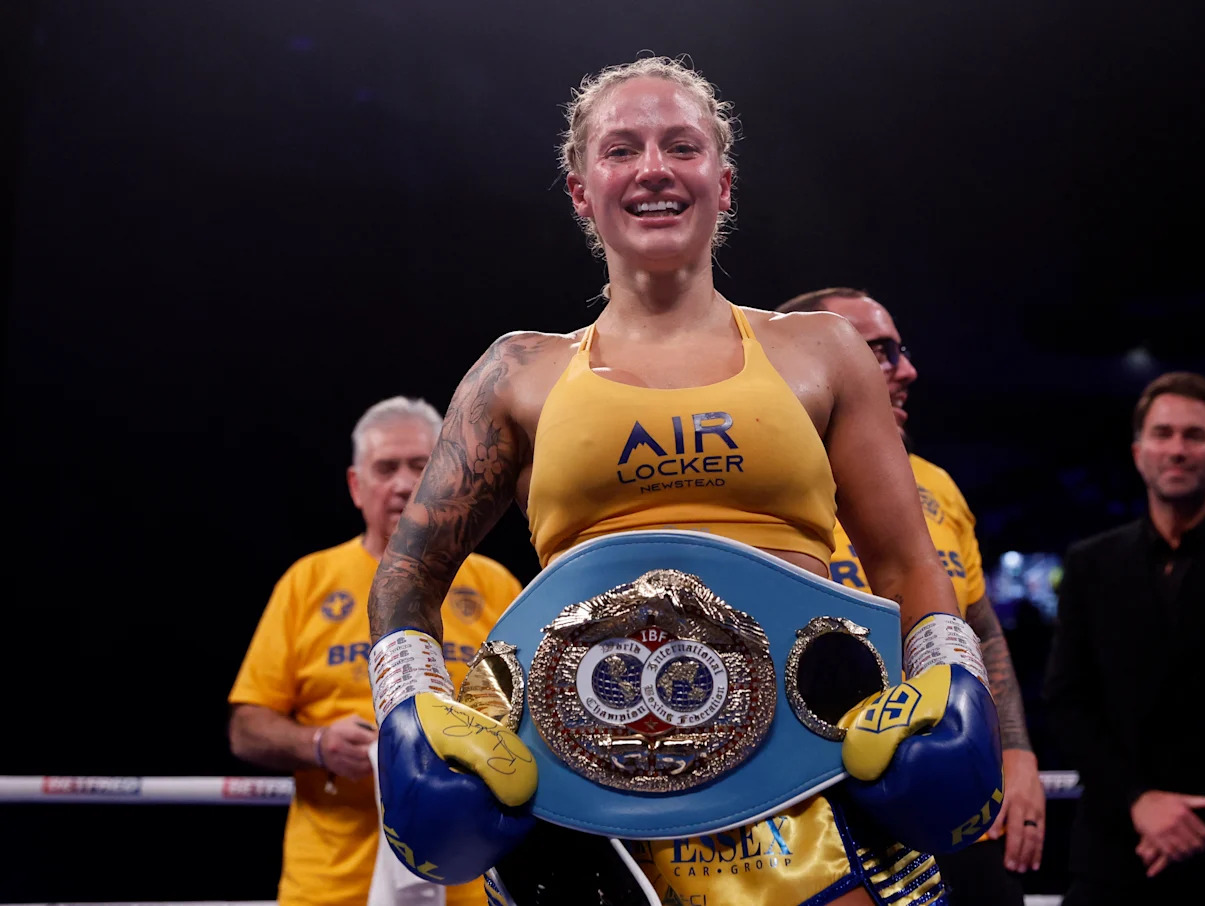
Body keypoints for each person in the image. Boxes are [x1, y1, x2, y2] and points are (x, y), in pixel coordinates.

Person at [365, 56, 1002, 906]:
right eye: (622, 149)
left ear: (723, 182)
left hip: (808, 762)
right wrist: (410, 713)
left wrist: (951, 681)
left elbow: (907, 565)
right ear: (581, 191)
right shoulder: (516, 372)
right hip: (580, 792)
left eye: (682, 146)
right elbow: (408, 575)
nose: (654, 168)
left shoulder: (822, 353)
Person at [775, 287, 1045, 904]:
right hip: (815, 810)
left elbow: (980, 627)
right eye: (879, 352)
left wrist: (1016, 752)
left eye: (900, 350)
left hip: (950, 790)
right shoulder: (753, 489)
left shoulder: (937, 485)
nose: (907, 371)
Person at [228, 396, 524, 906]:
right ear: (356, 485)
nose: (405, 484)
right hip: (330, 887)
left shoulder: (494, 585)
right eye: (386, 468)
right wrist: (318, 745)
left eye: (423, 467)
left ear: (449, 480)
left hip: (473, 884)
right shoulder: (308, 583)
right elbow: (247, 727)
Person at [1043, 371, 1205, 904]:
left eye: (1194, 435)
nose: (1177, 449)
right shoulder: (1090, 563)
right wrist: (1138, 800)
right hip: (1113, 847)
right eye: (1163, 433)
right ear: (1138, 452)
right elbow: (1066, 699)